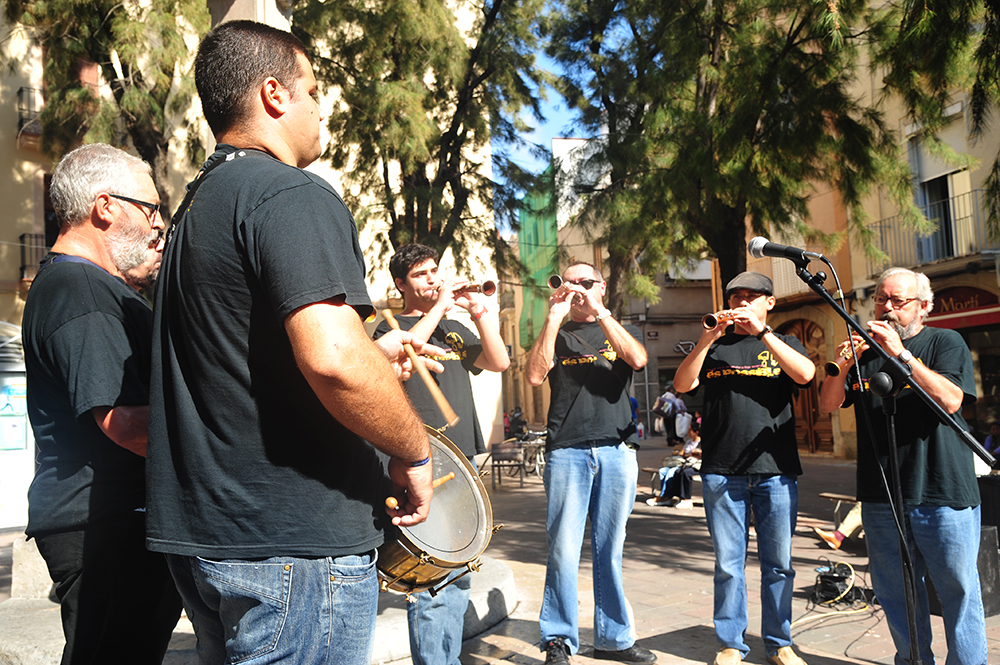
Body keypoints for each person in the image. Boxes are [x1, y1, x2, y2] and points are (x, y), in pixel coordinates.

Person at [146, 21, 442, 665]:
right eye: (314, 90)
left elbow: (238, 360)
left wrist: (370, 359)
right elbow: (333, 361)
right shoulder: (289, 193)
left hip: (211, 536)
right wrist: (413, 450)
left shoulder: (195, 209)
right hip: (292, 550)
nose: (321, 107)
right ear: (275, 94)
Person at [21, 143, 179, 664]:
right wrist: (224, 437)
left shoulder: (87, 285)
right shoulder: (80, 288)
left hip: (110, 517)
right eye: (150, 207)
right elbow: (121, 420)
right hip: (106, 520)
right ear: (105, 206)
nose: (158, 223)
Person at [819, 267, 988, 665]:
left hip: (941, 491)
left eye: (899, 301)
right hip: (882, 496)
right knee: (895, 593)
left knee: (958, 592)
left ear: (923, 306)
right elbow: (827, 405)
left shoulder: (945, 341)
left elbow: (950, 400)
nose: (887, 307)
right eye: (881, 299)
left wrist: (901, 355)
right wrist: (844, 366)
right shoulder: (863, 350)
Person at [374, 243, 510, 665]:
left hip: (461, 457)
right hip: (418, 462)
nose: (433, 279)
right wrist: (442, 307)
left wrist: (480, 311)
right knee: (430, 578)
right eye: (421, 274)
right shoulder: (388, 326)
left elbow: (499, 361)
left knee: (459, 572)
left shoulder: (452, 329)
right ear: (401, 285)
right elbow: (405, 349)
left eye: (435, 271)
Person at [673, 271, 815, 665]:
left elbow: (805, 374)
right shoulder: (715, 346)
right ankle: (732, 643)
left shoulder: (783, 342)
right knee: (728, 566)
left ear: (769, 302)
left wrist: (763, 333)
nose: (741, 303)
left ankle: (779, 643)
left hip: (776, 470)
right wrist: (708, 337)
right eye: (735, 297)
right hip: (722, 470)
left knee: (779, 565)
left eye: (751, 297)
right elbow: (683, 385)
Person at [526, 262, 656, 665]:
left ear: (601, 286)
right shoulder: (558, 333)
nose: (578, 289)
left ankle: (615, 638)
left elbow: (637, 359)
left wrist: (600, 314)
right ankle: (558, 640)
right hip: (567, 450)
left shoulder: (616, 328)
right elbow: (533, 376)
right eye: (571, 282)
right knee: (564, 549)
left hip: (617, 451)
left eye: (586, 282)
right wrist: (552, 317)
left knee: (609, 548)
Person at [645, 429, 701, 509]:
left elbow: (699, 454)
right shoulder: (689, 442)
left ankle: (665, 496)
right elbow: (682, 453)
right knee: (663, 471)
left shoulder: (700, 443)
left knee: (673, 472)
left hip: (690, 464)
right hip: (681, 461)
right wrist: (690, 454)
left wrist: (690, 454)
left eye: (690, 430)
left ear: (696, 432)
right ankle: (666, 496)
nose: (688, 432)